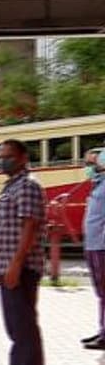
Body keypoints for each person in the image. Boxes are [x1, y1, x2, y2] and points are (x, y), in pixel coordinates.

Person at [0, 139, 47, 365]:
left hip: (21, 268)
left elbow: (29, 227)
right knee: (14, 325)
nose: (3, 161)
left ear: (23, 157)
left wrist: (15, 264)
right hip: (6, 266)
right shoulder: (10, 185)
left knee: (24, 325)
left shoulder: (28, 186)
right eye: (0, 156)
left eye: (8, 156)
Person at [82, 148, 105, 353]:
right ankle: (102, 330)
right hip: (93, 244)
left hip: (101, 246)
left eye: (92, 164)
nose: (88, 168)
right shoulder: (98, 186)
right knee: (101, 292)